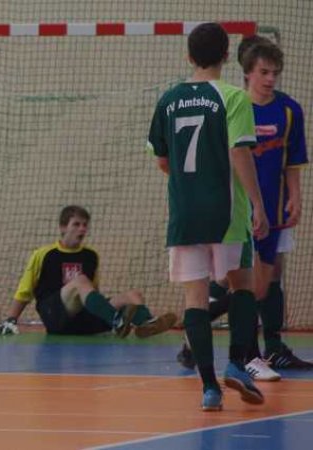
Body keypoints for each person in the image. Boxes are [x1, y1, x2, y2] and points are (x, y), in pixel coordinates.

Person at [147, 23, 269, 411]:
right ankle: (236, 363)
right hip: (226, 211)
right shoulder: (233, 97)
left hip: (185, 213)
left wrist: (190, 183)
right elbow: (239, 152)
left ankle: (209, 388)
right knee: (244, 285)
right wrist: (258, 203)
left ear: (188, 56)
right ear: (226, 55)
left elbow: (162, 160)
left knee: (195, 298)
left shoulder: (168, 99)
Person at [176, 36, 312, 377]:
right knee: (250, 285)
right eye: (264, 72)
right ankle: (233, 349)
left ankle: (269, 348)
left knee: (267, 277)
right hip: (239, 208)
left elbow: (293, 159)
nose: (270, 79)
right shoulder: (234, 105)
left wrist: (295, 195)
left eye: (275, 73)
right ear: (247, 72)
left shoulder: (289, 110)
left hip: (274, 206)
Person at [0, 205, 177, 338]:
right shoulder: (43, 254)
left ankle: (146, 324)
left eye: (85, 225)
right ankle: (117, 322)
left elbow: (93, 293)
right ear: (63, 227)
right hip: (54, 316)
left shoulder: (91, 255)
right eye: (76, 224)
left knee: (133, 295)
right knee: (80, 281)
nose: (82, 229)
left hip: (83, 320)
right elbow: (24, 291)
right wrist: (11, 319)